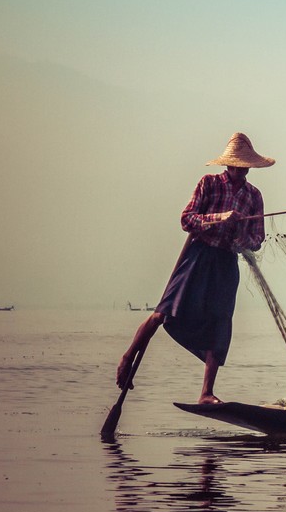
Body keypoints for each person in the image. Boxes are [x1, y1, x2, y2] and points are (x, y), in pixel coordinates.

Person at [116, 132, 273, 404]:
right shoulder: (209, 184)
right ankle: (128, 358)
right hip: (198, 255)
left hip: (225, 261)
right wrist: (219, 218)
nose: (240, 170)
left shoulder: (253, 197)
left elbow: (257, 239)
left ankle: (206, 393)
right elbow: (187, 219)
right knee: (163, 312)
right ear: (228, 165)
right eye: (236, 164)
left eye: (244, 166)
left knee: (219, 324)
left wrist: (239, 237)